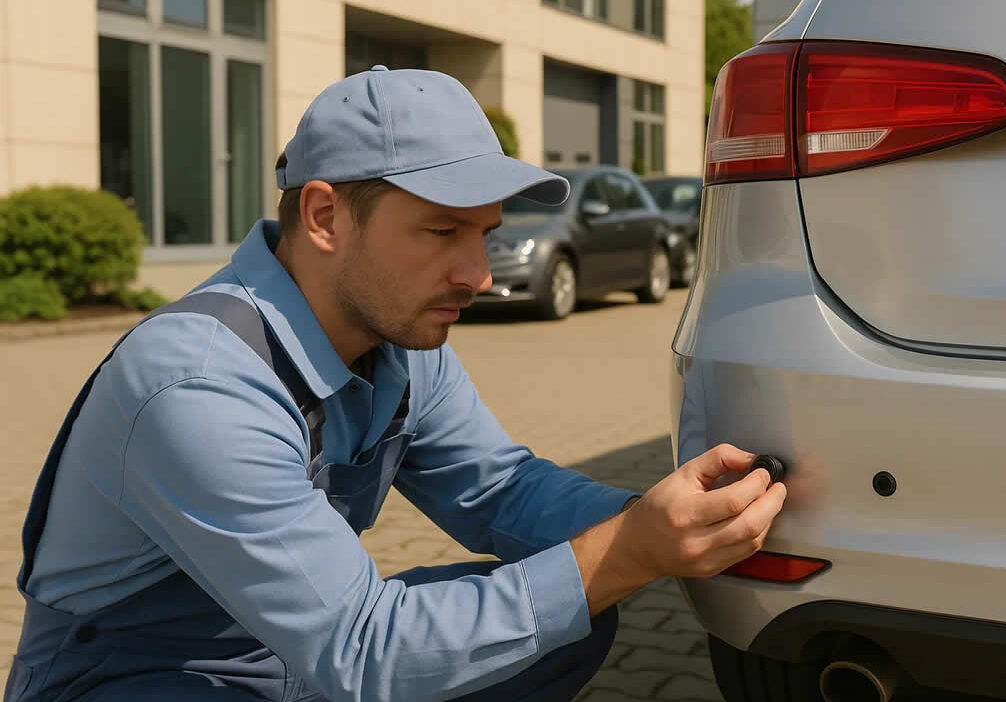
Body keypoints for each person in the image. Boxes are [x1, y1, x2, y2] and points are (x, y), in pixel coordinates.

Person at [4, 66, 790, 702]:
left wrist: (659, 520)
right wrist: (631, 551)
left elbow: (499, 492)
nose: (478, 274)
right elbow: (360, 650)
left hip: (293, 656)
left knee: (575, 616)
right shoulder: (199, 386)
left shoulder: (402, 343)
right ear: (324, 217)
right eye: (442, 231)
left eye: (485, 233)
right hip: (140, 674)